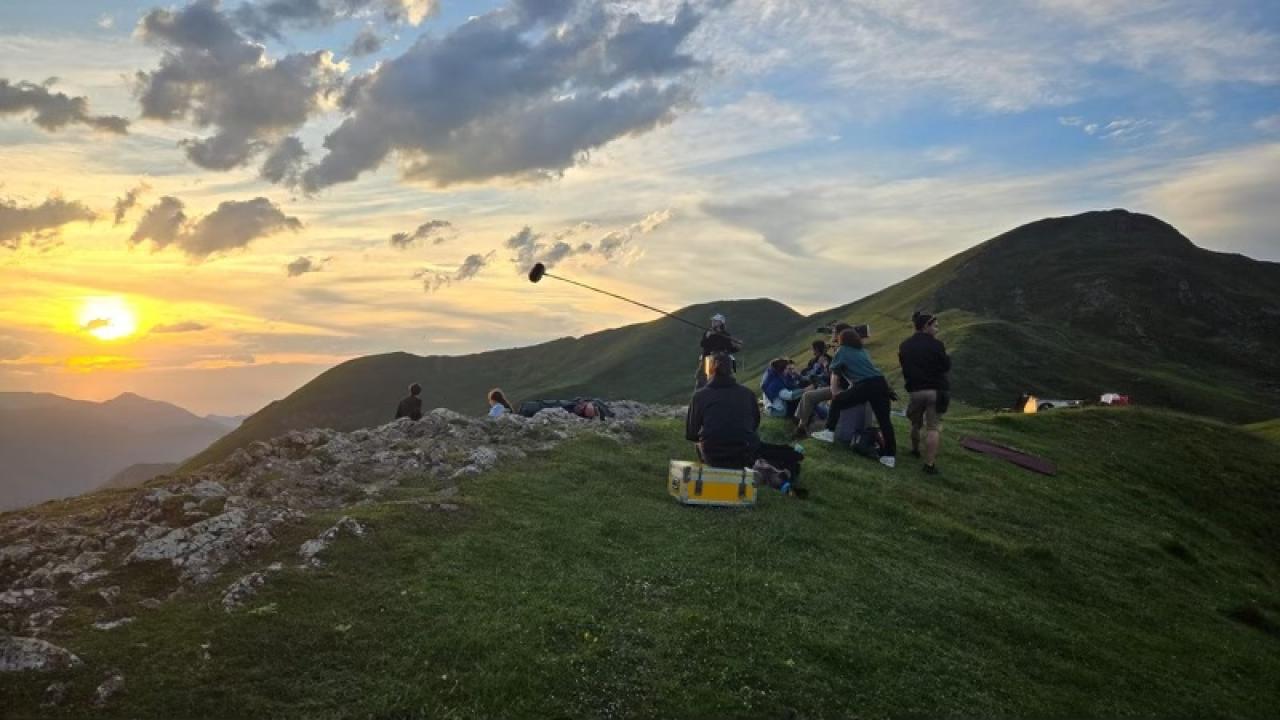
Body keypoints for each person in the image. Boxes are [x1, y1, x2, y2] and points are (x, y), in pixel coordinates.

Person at [686, 353, 807, 497]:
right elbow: (754, 425)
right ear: (733, 369)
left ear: (709, 370)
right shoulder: (747, 394)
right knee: (784, 455)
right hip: (746, 452)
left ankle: (761, 472)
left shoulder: (699, 396)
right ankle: (775, 472)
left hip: (714, 456)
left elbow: (692, 434)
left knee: (699, 445)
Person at [811, 328, 898, 468]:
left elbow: (835, 371)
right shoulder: (862, 351)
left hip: (866, 385)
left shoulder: (843, 350)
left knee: (838, 401)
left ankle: (829, 432)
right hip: (880, 383)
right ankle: (889, 456)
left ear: (842, 340)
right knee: (884, 421)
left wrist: (835, 392)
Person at [899, 311, 951, 475]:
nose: (937, 329)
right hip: (935, 391)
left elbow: (904, 366)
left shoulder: (905, 345)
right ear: (926, 326)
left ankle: (914, 450)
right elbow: (945, 366)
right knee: (932, 428)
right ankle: (929, 464)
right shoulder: (937, 345)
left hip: (916, 391)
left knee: (915, 423)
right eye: (935, 326)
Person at [793, 324, 850, 438]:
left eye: (833, 332)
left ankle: (806, 424)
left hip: (843, 387)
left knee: (810, 396)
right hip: (836, 385)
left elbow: (831, 374)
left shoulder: (841, 352)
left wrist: (825, 366)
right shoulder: (838, 351)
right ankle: (801, 427)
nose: (831, 334)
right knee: (807, 396)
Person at [694, 313, 743, 390]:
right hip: (708, 360)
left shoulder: (726, 335)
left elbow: (729, 348)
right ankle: (699, 398)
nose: (713, 322)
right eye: (713, 321)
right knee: (703, 381)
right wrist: (707, 336)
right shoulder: (708, 332)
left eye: (715, 321)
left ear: (721, 323)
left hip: (720, 361)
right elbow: (703, 344)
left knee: (720, 379)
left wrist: (737, 347)